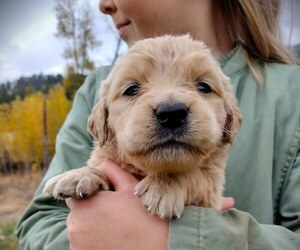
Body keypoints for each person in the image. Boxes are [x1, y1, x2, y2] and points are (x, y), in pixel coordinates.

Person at [16, 0, 300, 249]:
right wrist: (96, 183)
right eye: (131, 90)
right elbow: (41, 222)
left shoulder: (290, 94)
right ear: (104, 123)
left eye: (202, 86)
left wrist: (187, 238)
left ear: (230, 117)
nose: (170, 107)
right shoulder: (95, 89)